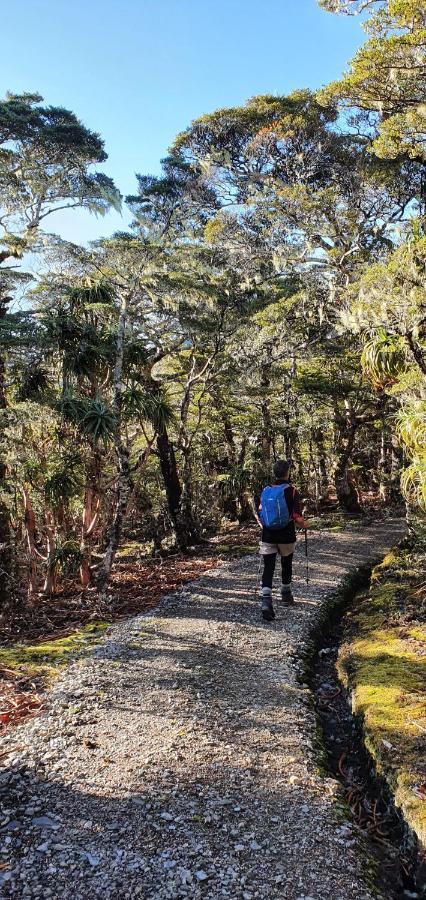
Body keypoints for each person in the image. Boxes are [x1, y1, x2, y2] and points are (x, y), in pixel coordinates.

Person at [256, 459, 308, 622]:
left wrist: (265, 525)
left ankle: (266, 600)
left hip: (268, 535)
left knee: (268, 567)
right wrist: (306, 524)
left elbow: (260, 512)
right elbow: (296, 516)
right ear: (288, 473)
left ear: (274, 473)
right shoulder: (291, 491)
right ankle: (286, 595)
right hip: (286, 535)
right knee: (286, 563)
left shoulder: (265, 490)